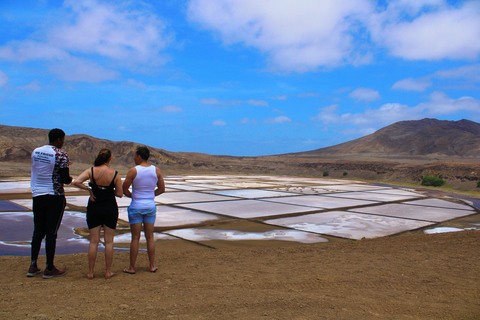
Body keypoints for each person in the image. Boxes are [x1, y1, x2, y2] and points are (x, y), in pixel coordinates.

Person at [72, 149, 123, 279]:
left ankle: (90, 272)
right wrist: (109, 191)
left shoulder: (91, 171)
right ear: (109, 159)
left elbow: (76, 181)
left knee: (93, 241)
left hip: (94, 207)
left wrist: (89, 189)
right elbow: (120, 194)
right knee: (109, 241)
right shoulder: (115, 174)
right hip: (110, 208)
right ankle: (108, 271)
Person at [28, 128, 72, 279]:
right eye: (63, 139)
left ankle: (33, 265)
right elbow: (65, 178)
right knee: (51, 232)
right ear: (59, 139)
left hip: (37, 195)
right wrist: (71, 178)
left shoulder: (36, 151)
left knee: (38, 230)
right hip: (54, 196)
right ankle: (49, 267)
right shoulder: (61, 154)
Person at [122, 146, 165, 274]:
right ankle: (151, 266)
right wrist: (150, 196)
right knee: (150, 237)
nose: (134, 158)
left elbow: (125, 189)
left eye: (135, 156)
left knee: (135, 238)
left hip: (136, 206)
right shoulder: (156, 170)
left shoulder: (133, 171)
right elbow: (162, 189)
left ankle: (132, 267)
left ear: (139, 157)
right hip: (150, 206)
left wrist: (134, 196)